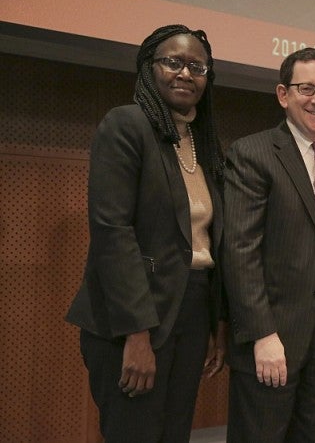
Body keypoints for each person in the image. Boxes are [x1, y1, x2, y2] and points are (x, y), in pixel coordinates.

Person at [65, 24, 227, 442]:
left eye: (197, 66)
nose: (185, 73)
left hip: (190, 309)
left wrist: (213, 325)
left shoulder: (203, 142)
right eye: (172, 62)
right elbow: (112, 232)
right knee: (133, 433)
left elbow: (209, 243)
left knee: (174, 434)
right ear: (148, 68)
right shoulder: (127, 125)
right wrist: (136, 336)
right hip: (135, 313)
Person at [223, 47, 315, 443]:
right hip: (274, 336)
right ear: (284, 94)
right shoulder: (253, 153)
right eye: (306, 88)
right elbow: (239, 250)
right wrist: (262, 334)